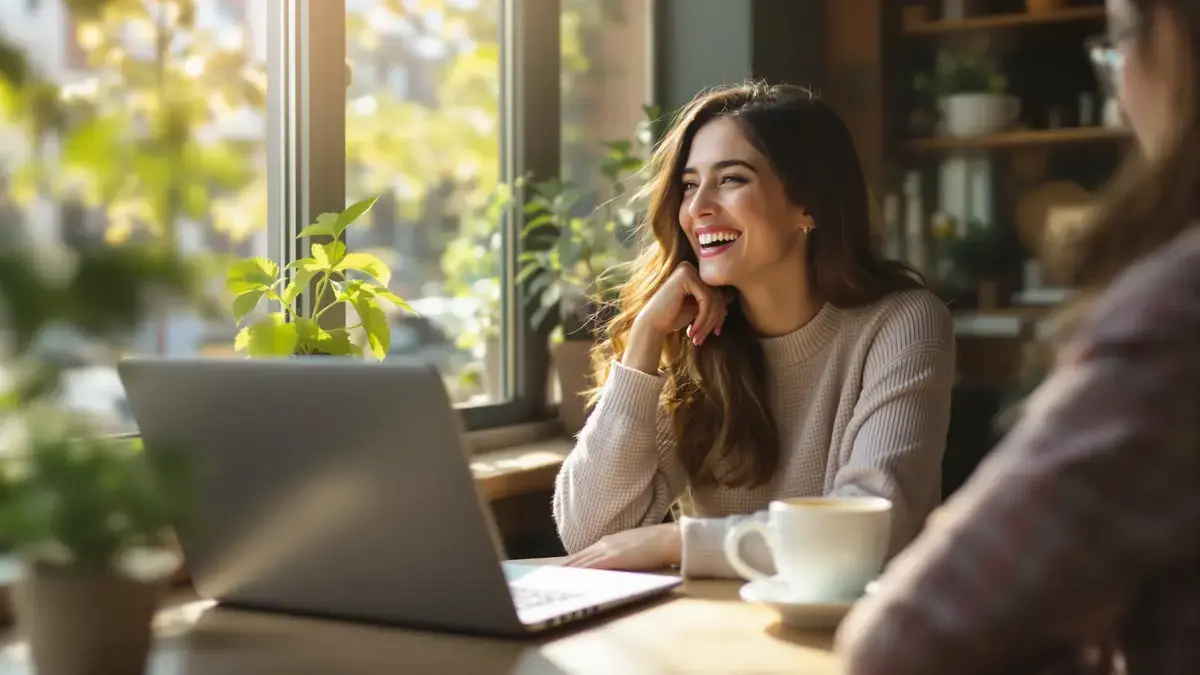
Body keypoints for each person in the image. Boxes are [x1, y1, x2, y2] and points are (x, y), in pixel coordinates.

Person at [837, 1, 1199, 673]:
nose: (1118, 93)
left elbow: (903, 639)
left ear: (1173, 39)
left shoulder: (1176, 311)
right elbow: (585, 514)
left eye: (1119, 42)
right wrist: (645, 353)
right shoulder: (697, 334)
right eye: (687, 184)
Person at [551, 82, 957, 579]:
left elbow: (872, 526)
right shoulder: (694, 338)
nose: (697, 207)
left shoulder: (903, 323)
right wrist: (643, 342)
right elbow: (589, 533)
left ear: (808, 205)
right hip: (716, 638)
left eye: (731, 180)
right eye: (688, 184)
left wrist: (678, 541)